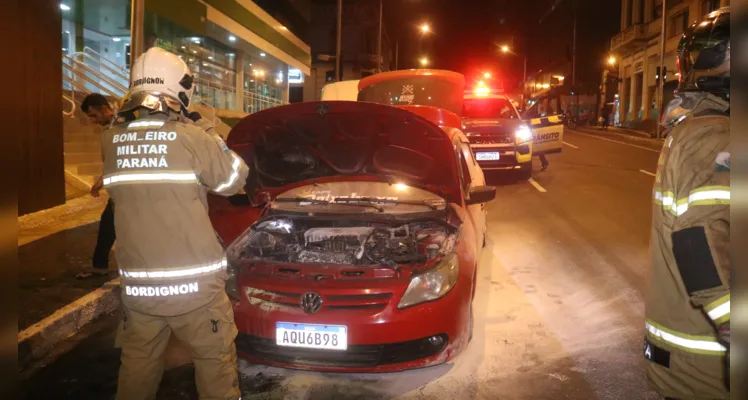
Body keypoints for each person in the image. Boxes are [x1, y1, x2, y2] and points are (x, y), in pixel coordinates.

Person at [102, 47, 249, 400]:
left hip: (140, 289)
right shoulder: (192, 137)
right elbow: (234, 180)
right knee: (214, 363)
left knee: (137, 363)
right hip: (196, 290)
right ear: (179, 89)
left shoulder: (110, 141)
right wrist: (206, 127)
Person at [644, 7, 730, 400]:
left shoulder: (699, 127)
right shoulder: (717, 136)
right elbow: (700, 241)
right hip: (710, 371)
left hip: (693, 360)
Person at [77, 94, 116, 279]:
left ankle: (100, 267)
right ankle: (99, 266)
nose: (93, 121)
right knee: (108, 226)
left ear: (103, 108)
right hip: (120, 191)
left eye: (93, 116)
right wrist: (101, 181)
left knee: (109, 226)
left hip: (128, 191)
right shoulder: (110, 129)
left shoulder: (120, 127)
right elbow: (113, 161)